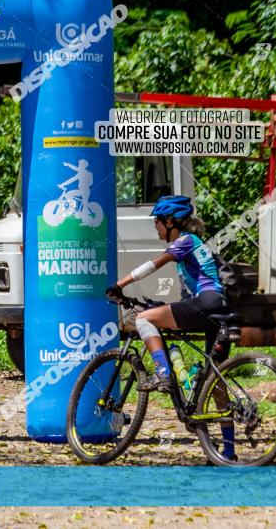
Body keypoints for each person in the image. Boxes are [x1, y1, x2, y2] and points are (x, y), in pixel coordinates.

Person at [106, 194, 235, 460]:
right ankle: (228, 452)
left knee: (144, 319)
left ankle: (163, 372)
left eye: (157, 221)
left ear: (170, 221)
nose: (155, 227)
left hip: (208, 302)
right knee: (216, 383)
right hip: (217, 306)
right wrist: (160, 304)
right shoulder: (196, 245)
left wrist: (120, 284)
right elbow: (191, 294)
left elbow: (154, 264)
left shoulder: (185, 241)